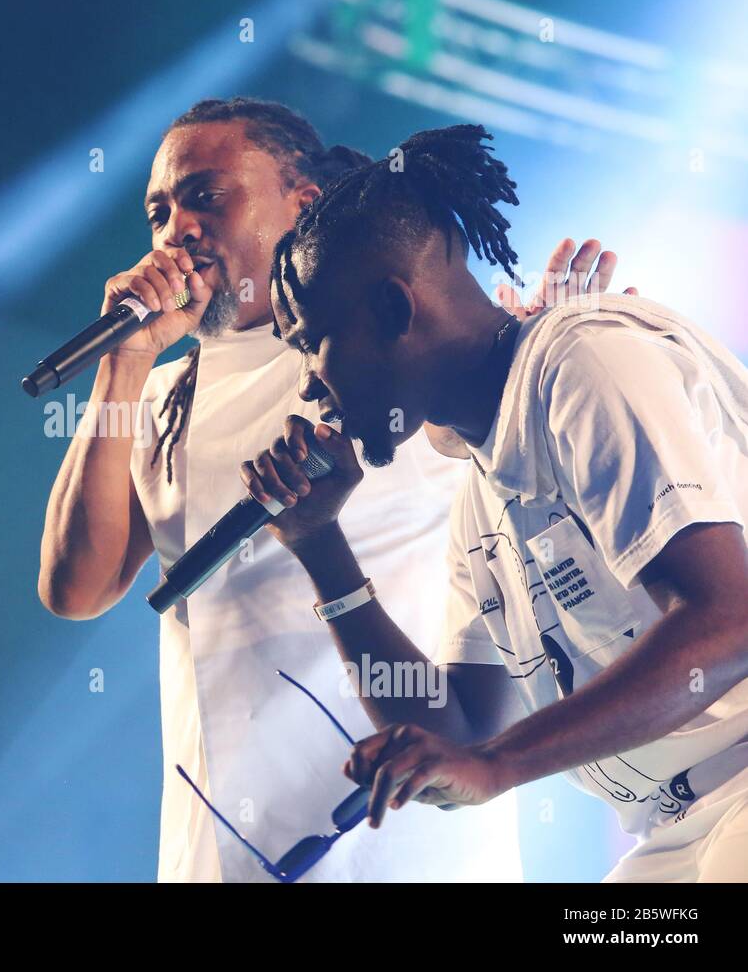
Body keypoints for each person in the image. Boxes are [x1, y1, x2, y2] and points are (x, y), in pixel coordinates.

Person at [39, 97, 616, 881]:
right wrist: (125, 361)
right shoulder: (161, 393)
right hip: (223, 843)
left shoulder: (387, 351)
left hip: (405, 840)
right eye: (159, 211)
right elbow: (76, 587)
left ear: (302, 202)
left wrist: (536, 356)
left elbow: (518, 455)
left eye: (206, 196)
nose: (177, 227)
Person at [246, 123, 748, 881]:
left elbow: (730, 621)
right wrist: (320, 543)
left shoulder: (585, 361)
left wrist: (499, 765)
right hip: (679, 829)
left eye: (312, 342)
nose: (309, 384)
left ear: (392, 310)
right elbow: (460, 727)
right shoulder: (484, 499)